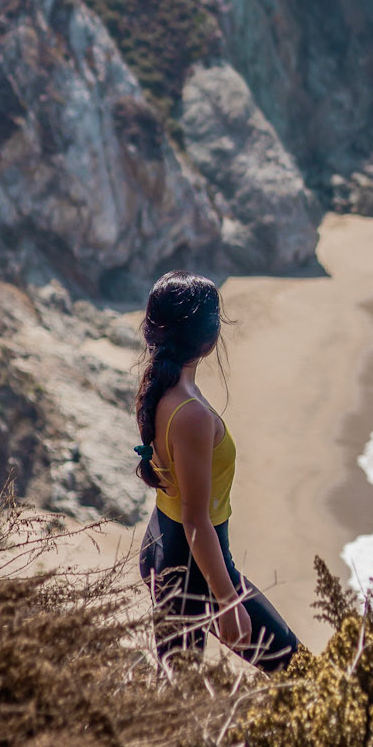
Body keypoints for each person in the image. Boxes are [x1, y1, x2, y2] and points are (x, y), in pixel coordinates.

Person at [134, 271, 300, 673]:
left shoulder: (159, 384)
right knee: (299, 672)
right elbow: (196, 521)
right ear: (208, 341)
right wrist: (229, 602)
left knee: (182, 694)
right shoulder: (190, 413)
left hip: (161, 546)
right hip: (194, 569)